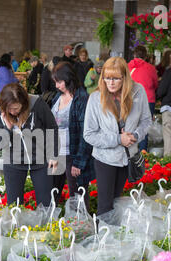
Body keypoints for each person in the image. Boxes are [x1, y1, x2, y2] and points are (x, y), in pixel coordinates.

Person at [83, 57, 152, 223]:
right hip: (105, 157)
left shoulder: (138, 91)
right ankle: (102, 242)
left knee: (117, 201)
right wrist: (117, 139)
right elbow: (89, 134)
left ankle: (113, 237)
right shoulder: (95, 98)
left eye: (116, 78)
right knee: (105, 205)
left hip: (127, 156)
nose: (111, 82)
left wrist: (135, 135)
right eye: (107, 77)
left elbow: (146, 121)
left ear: (125, 77)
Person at [0, 83, 59, 207]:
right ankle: (16, 225)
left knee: (46, 203)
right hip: (13, 163)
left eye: (16, 108)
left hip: (40, 161)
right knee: (14, 205)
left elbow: (51, 127)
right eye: (9, 109)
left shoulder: (37, 104)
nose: (13, 112)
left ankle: (45, 225)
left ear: (24, 103)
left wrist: (53, 154)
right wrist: (8, 128)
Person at [50, 61, 94, 207]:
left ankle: (80, 226)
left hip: (72, 154)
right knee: (52, 192)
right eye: (55, 82)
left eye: (59, 82)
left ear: (68, 78)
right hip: (57, 154)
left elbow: (85, 134)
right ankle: (54, 224)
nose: (56, 85)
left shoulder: (81, 98)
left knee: (77, 195)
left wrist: (79, 162)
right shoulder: (58, 97)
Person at [128, 45, 158, 152]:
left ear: (134, 54)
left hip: (130, 99)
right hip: (148, 99)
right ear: (145, 56)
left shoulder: (127, 67)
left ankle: (130, 151)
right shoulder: (151, 68)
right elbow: (155, 84)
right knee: (144, 126)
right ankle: (143, 153)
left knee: (130, 125)